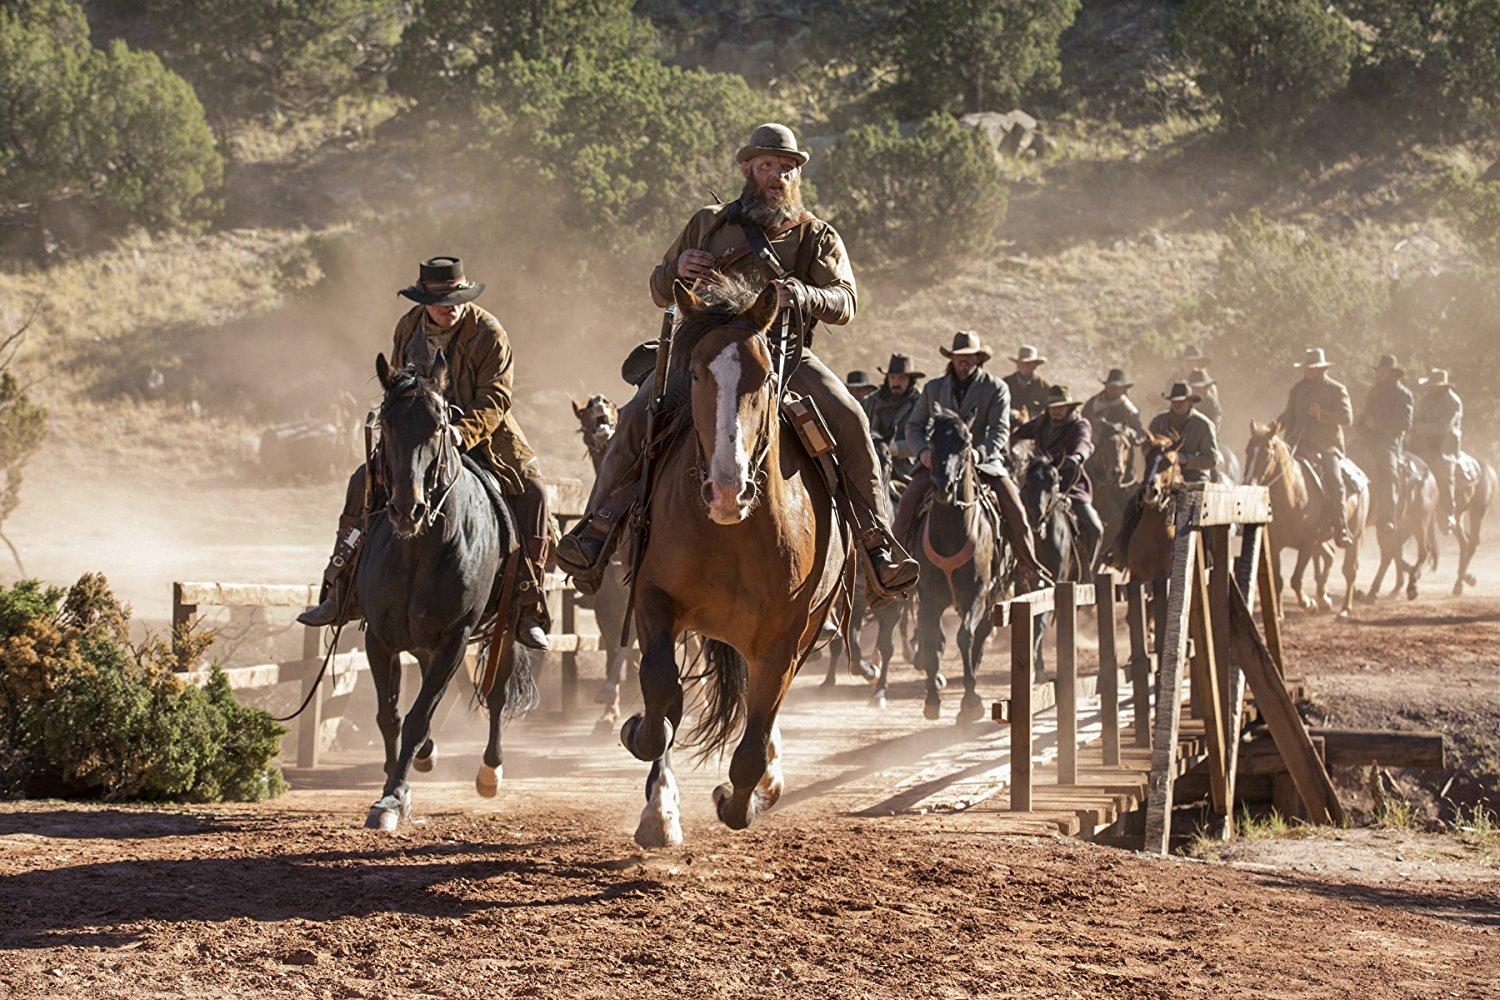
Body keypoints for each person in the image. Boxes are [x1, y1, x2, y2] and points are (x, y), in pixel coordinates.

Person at [555, 123, 918, 599]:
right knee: (636, 414)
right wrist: (677, 269)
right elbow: (658, 287)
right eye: (768, 165)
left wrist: (802, 293)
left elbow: (846, 302)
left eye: (787, 168)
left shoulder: (816, 235)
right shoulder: (707, 222)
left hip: (782, 357)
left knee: (849, 417)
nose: (778, 176)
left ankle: (877, 545)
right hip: (701, 356)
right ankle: (596, 531)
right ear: (747, 168)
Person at [298, 256, 552, 650]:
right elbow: (398, 384)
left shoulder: (489, 332)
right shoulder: (408, 327)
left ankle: (527, 601)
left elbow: (496, 398)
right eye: (439, 301)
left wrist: (458, 433)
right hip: (417, 432)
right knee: (362, 482)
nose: (448, 307)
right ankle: (340, 588)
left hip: (481, 433)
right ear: (423, 301)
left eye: (455, 298)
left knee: (534, 492)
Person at [895, 332, 1049, 591]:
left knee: (1016, 510)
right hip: (939, 461)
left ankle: (1028, 568)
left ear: (979, 358)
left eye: (970, 357)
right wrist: (922, 452)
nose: (964, 361)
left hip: (983, 463)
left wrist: (978, 454)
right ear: (952, 358)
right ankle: (894, 567)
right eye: (960, 356)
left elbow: (1000, 431)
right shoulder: (934, 388)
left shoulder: (996, 388)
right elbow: (914, 425)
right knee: (907, 502)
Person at [1013, 384, 1103, 570]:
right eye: (1053, 407)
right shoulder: (1041, 422)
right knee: (1010, 513)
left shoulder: (1079, 424)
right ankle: (1007, 567)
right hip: (1039, 485)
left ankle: (1086, 573)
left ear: (1069, 407)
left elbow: (1084, 444)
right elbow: (1018, 434)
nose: (1055, 411)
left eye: (1060, 407)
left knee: (1095, 528)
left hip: (1070, 487)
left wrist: (1077, 457)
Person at [1277, 347, 1355, 547]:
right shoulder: (1297, 390)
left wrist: (1321, 414)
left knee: (1334, 479)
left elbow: (1347, 418)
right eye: (1307, 368)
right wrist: (1271, 429)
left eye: (1312, 368)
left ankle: (1341, 526)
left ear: (1321, 369)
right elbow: (1288, 416)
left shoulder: (1336, 389)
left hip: (1327, 446)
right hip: (1298, 444)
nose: (1308, 372)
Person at [1355, 354, 1413, 534]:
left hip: (1389, 444)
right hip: (1368, 441)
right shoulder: (1374, 391)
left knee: (1389, 473)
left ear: (1392, 373)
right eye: (1378, 371)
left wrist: (1377, 425)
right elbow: (1367, 415)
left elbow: (1404, 424)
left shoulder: (1403, 394)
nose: (1379, 374)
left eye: (1383, 371)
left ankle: (1388, 516)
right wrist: (1360, 422)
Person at [1409, 368, 1463, 534]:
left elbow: (1444, 427)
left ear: (1442, 386)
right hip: (1422, 445)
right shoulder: (1426, 400)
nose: (1430, 389)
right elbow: (1418, 417)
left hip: (1445, 448)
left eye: (1433, 386)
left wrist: (1417, 428)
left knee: (1444, 475)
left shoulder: (1453, 402)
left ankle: (1448, 513)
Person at [862, 352, 925, 483]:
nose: (896, 382)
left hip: (907, 470)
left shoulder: (921, 404)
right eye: (893, 378)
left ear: (910, 381)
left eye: (901, 379)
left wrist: (897, 448)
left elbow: (927, 438)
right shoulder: (871, 401)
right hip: (871, 466)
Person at [1149, 381, 1222, 482]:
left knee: (1196, 493)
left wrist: (1185, 459)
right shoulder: (1158, 422)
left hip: (1194, 477)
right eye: (1174, 401)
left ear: (1190, 402)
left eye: (1181, 401)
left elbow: (1212, 460)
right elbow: (1147, 448)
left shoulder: (1204, 425)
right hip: (1162, 476)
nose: (1177, 404)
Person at [1081, 368, 1146, 443]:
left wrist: (1125, 432)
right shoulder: (1093, 403)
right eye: (1111, 387)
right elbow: (1082, 420)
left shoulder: (1129, 410)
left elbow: (1139, 435)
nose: (1113, 390)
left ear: (1123, 389)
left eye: (1116, 388)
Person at [1002, 344, 1051, 424]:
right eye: (1022, 364)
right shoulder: (1005, 383)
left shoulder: (1043, 386)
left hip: (1034, 428)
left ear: (1035, 366)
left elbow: (1049, 409)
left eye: (1029, 364)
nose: (1025, 367)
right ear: (1017, 365)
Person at [1178, 345, 1222, 426]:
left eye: (1192, 361)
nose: (1189, 365)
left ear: (1199, 363)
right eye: (1187, 361)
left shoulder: (1209, 387)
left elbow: (1214, 411)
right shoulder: (1177, 380)